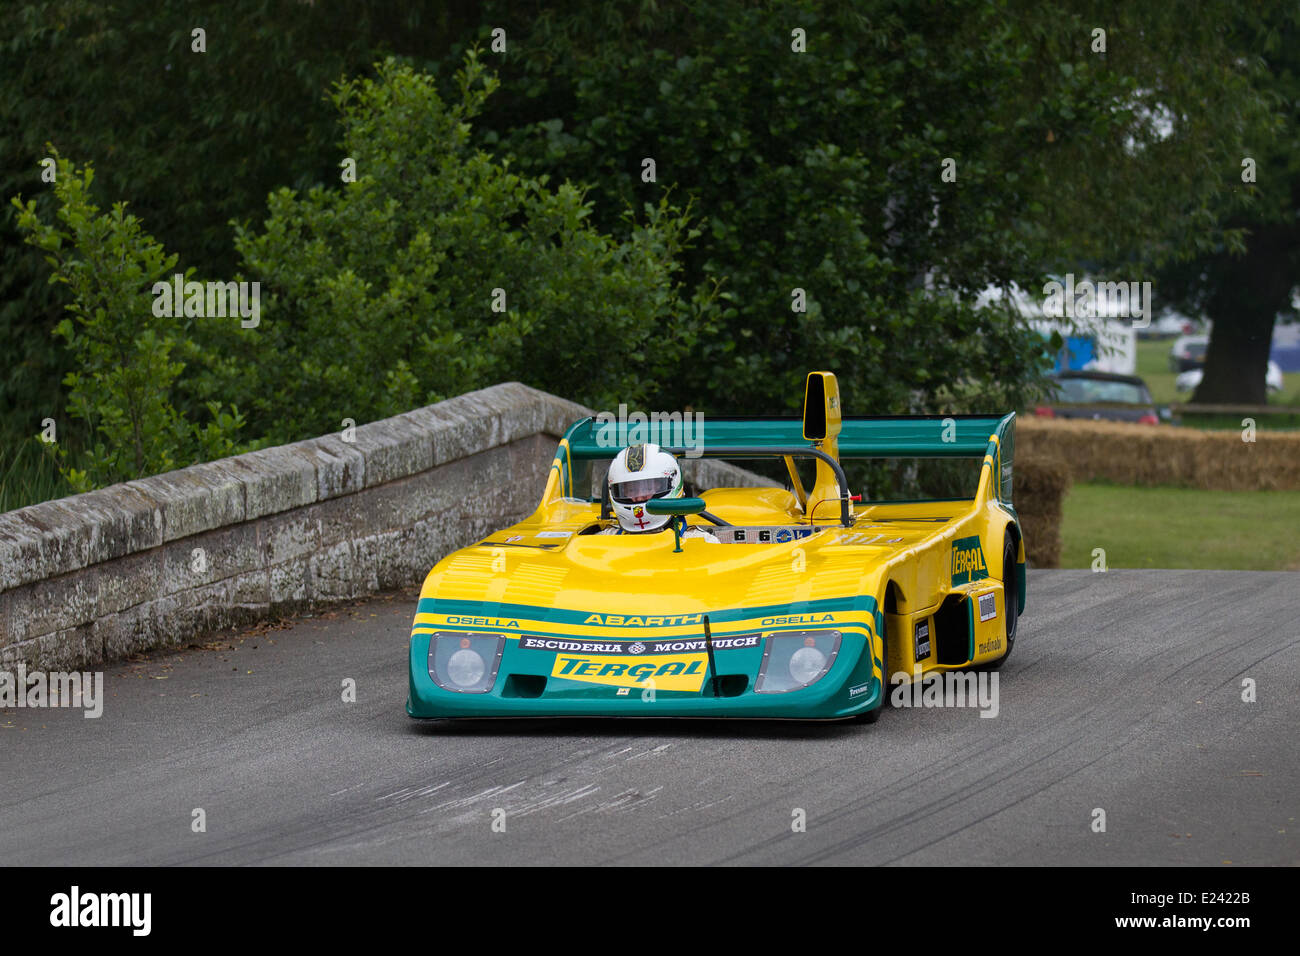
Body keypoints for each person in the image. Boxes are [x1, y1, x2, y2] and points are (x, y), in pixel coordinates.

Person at [599, 443, 717, 541]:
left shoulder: (701, 540)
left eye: (648, 488)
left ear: (673, 483)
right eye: (631, 490)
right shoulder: (602, 540)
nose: (639, 498)